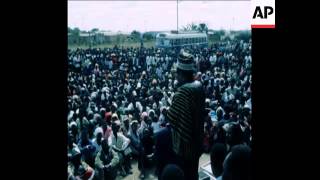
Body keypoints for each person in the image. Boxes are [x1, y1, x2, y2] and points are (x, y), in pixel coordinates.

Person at [167, 49, 206, 180]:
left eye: (177, 73)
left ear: (182, 74)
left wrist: (175, 94)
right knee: (193, 174)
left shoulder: (183, 92)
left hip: (185, 148)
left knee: (185, 175)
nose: (176, 76)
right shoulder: (199, 86)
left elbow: (171, 117)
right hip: (197, 144)